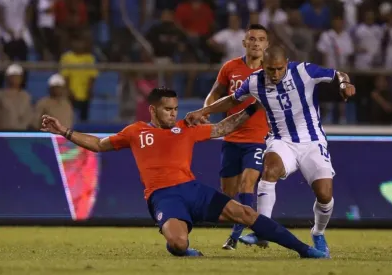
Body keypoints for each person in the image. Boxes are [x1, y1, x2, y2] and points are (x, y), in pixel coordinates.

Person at [40, 87, 328, 259]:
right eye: (167, 109)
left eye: (175, 108)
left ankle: (305, 250)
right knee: (178, 243)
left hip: (193, 190)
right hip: (163, 197)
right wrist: (64, 131)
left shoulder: (185, 128)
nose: (172, 114)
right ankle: (181, 249)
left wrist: (255, 105)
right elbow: (99, 145)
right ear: (153, 110)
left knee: (247, 215)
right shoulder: (135, 132)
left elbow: (223, 128)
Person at [185, 46, 356, 257]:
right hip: (280, 140)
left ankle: (318, 232)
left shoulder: (304, 71)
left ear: (287, 63)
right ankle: (262, 230)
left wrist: (344, 83)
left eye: (279, 69)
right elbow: (232, 100)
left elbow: (338, 74)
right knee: (270, 169)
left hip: (312, 142)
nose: (274, 74)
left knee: (324, 195)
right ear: (263, 66)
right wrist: (204, 111)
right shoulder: (255, 81)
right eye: (270, 69)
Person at [203, 23, 269, 250]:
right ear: (244, 43)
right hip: (231, 138)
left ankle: (235, 236)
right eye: (252, 39)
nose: (256, 43)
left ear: (266, 44)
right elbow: (215, 94)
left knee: (247, 182)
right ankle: (249, 229)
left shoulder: (273, 71)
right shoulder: (230, 67)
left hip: (259, 138)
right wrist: (206, 112)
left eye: (260, 39)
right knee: (229, 194)